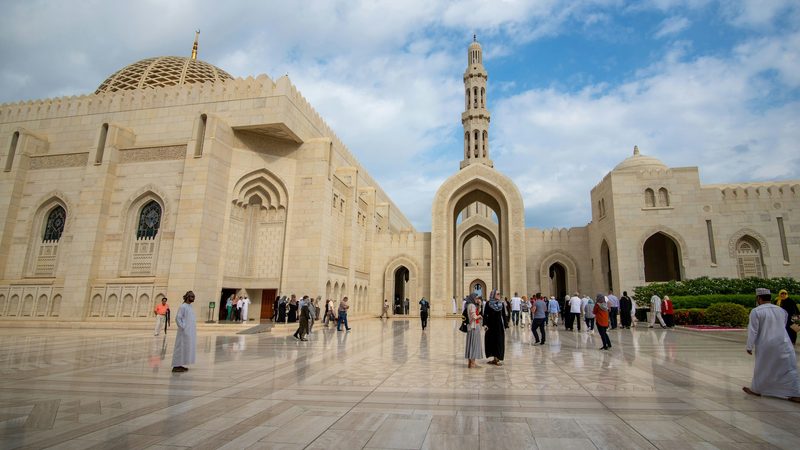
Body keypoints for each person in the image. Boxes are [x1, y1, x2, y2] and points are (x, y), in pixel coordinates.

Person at [743, 288, 800, 402]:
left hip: (766, 344)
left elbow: (753, 330)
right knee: (788, 369)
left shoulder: (756, 311)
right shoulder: (781, 310)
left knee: (762, 368)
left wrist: (749, 346)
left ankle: (756, 390)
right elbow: (782, 325)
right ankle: (795, 393)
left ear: (759, 298)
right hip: (784, 343)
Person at [171, 291, 197, 373]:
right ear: (187, 297)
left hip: (189, 332)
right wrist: (183, 327)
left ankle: (180, 364)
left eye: (194, 297)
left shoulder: (189, 306)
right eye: (192, 297)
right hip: (184, 332)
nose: (193, 298)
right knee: (180, 348)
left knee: (185, 349)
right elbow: (178, 318)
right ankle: (175, 366)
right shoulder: (183, 307)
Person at [483, 289, 506, 366]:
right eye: (497, 294)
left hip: (499, 326)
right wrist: (485, 324)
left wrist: (505, 324)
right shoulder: (488, 303)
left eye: (499, 294)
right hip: (490, 326)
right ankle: (494, 358)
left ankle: (498, 358)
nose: (499, 295)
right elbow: (485, 314)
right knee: (491, 341)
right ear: (493, 295)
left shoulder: (501, 304)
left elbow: (503, 315)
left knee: (499, 341)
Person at [464, 294, 483, 369]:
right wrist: (480, 316)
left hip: (470, 327)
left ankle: (470, 363)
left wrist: (480, 304)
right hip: (474, 327)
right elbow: (474, 316)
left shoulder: (469, 305)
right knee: (474, 344)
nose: (477, 299)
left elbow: (477, 311)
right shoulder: (472, 305)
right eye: (476, 298)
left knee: (470, 344)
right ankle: (473, 363)